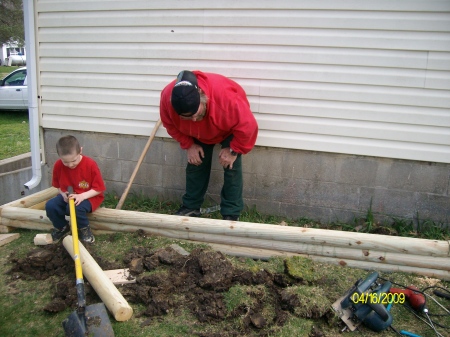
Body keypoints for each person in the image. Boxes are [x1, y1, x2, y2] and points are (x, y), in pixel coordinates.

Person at [160, 70, 258, 221]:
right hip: (196, 133)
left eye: (196, 114)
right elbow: (170, 125)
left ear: (201, 97)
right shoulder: (167, 98)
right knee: (195, 163)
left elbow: (248, 126)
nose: (193, 119)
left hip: (228, 128)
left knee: (231, 167)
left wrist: (233, 150)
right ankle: (191, 208)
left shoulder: (226, 98)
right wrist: (188, 144)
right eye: (187, 117)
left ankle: (231, 214)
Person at [45, 135, 106, 243]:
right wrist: (63, 193)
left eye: (74, 160)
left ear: (80, 151)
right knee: (51, 206)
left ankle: (84, 230)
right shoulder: (58, 165)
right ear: (59, 156)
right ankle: (62, 227)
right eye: (66, 162)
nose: (70, 165)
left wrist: (82, 196)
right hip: (69, 197)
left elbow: (98, 189)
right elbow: (58, 186)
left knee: (74, 207)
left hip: (89, 196)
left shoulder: (90, 165)